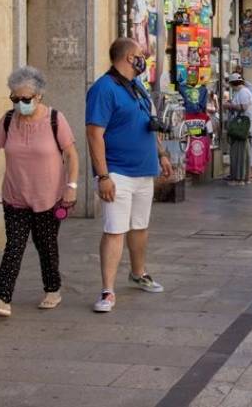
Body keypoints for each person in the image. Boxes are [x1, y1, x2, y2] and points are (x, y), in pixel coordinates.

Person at [0, 66, 79, 317]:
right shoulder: (8, 121)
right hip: (15, 196)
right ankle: (2, 298)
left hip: (49, 198)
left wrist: (71, 188)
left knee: (46, 246)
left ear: (39, 96)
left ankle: (53, 290)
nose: (20, 104)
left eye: (25, 99)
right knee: (15, 245)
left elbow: (72, 155)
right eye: (15, 98)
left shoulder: (55, 119)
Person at [86, 38, 173, 313]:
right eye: (139, 55)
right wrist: (103, 176)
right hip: (117, 171)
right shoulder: (104, 89)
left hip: (144, 170)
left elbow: (148, 124)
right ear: (126, 57)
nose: (142, 59)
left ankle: (138, 273)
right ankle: (107, 290)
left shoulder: (137, 88)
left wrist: (161, 154)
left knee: (139, 227)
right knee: (115, 230)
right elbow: (94, 134)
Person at [225, 73, 252, 185]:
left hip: (241, 126)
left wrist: (229, 106)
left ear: (233, 83)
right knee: (241, 151)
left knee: (239, 152)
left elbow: (244, 107)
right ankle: (242, 176)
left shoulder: (243, 92)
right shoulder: (242, 92)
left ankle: (239, 178)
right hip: (241, 125)